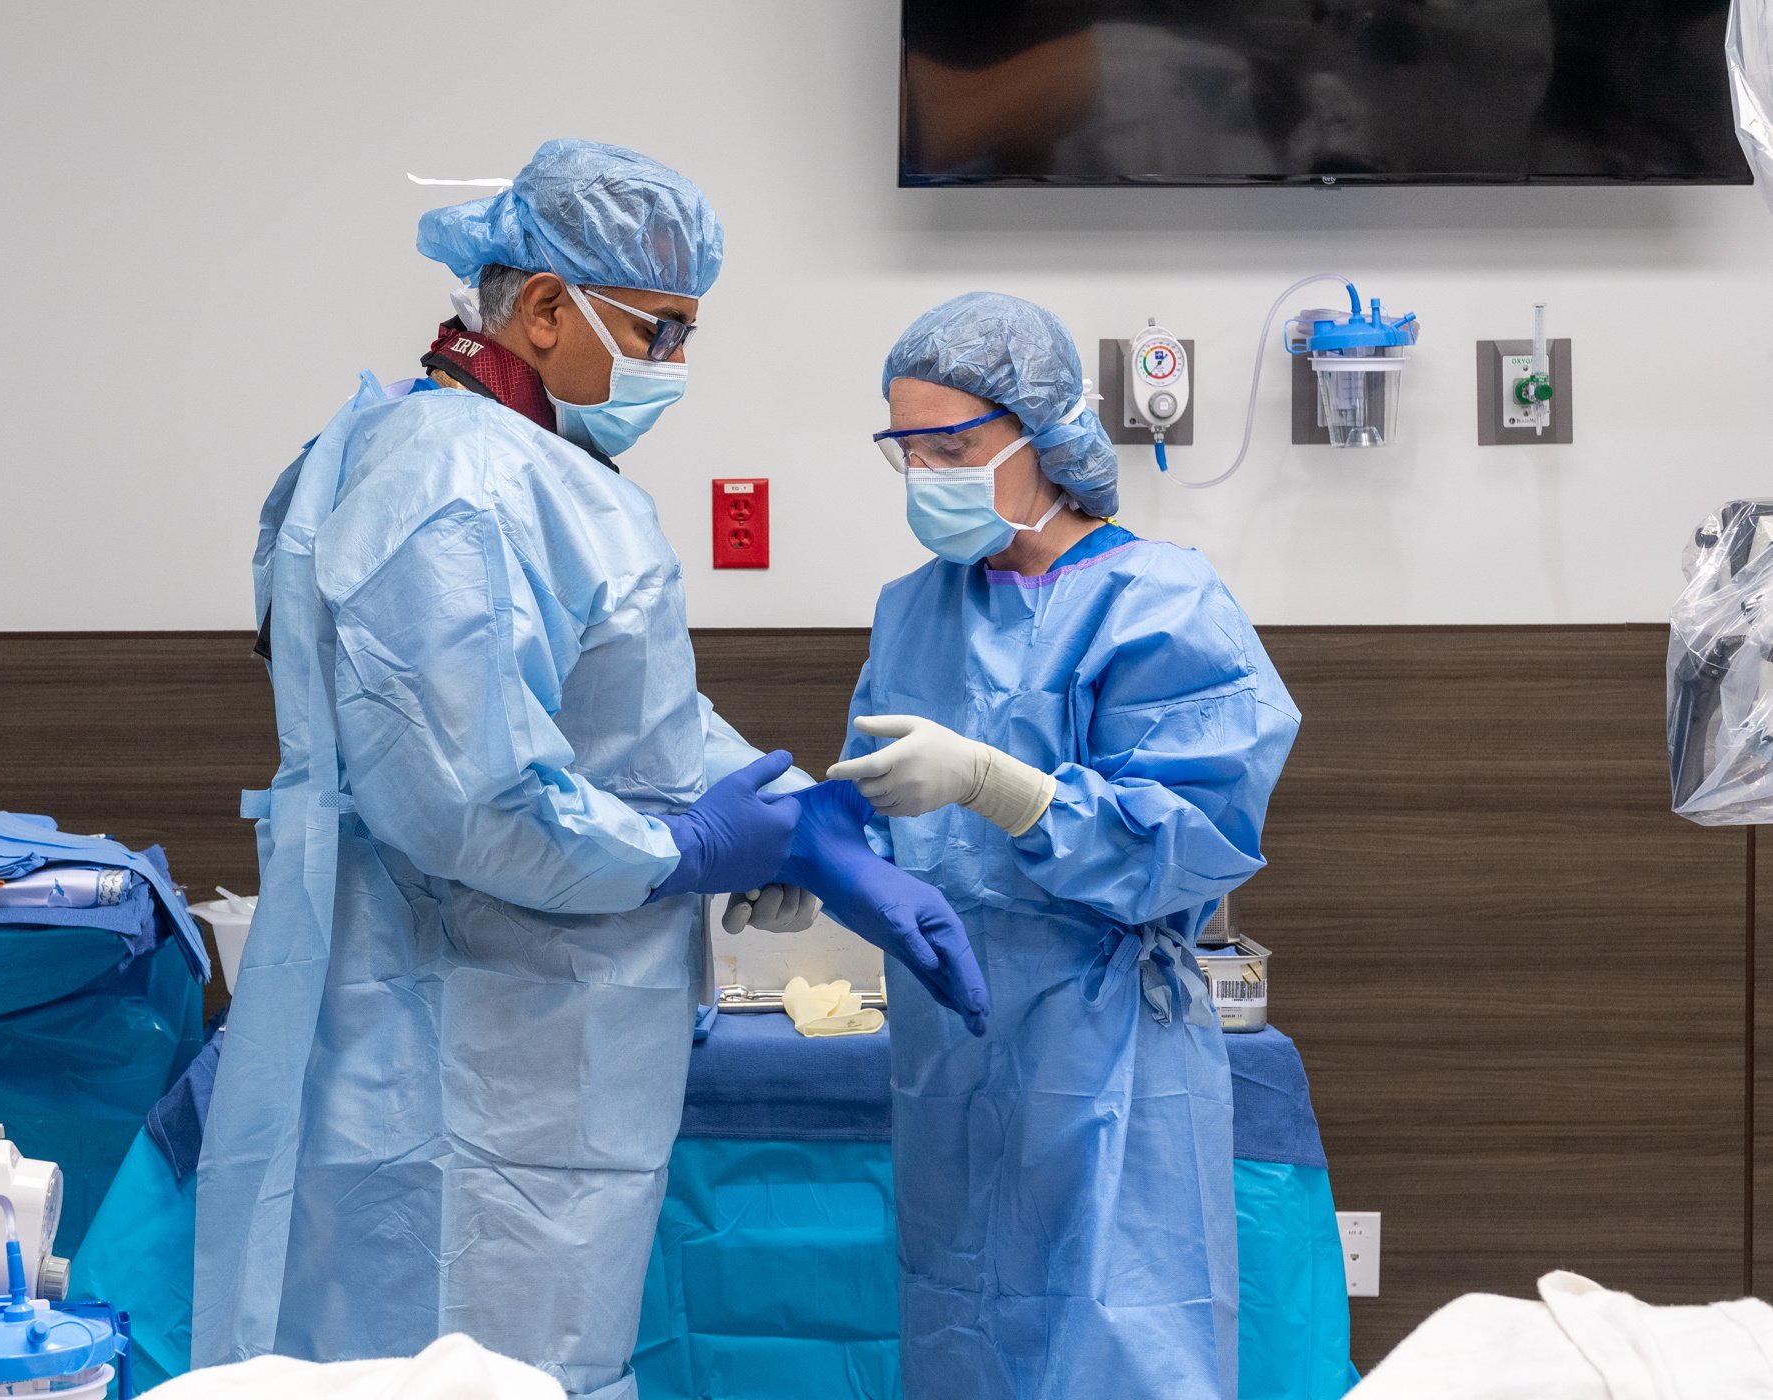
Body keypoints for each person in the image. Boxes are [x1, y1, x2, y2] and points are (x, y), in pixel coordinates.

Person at [194, 139, 986, 1400]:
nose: (676, 364)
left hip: (526, 1035)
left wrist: (801, 823)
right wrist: (690, 849)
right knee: (457, 1361)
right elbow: (471, 795)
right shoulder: (458, 480)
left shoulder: (525, 468)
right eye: (660, 328)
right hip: (463, 1050)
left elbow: (632, 728)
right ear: (552, 308)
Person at [828, 292, 1301, 1400]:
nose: (929, 475)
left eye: (956, 446)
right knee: (963, 1330)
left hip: (1108, 1056)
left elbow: (1198, 836)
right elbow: (879, 796)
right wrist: (809, 857)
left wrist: (1003, 785)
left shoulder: (1162, 602)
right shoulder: (912, 609)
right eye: (909, 451)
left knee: (1121, 1337)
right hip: (951, 1053)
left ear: (1043, 435)